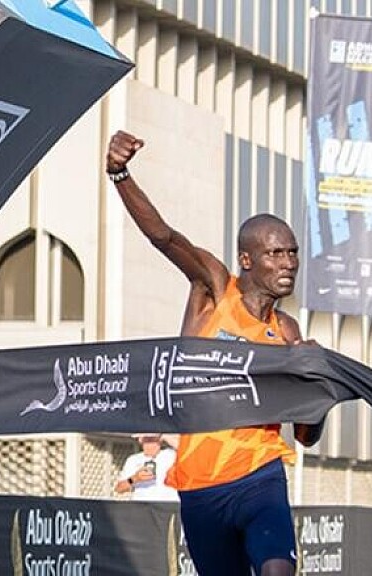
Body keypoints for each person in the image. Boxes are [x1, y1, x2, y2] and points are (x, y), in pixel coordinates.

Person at [106, 130, 322, 576]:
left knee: (277, 571)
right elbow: (164, 237)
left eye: (292, 253)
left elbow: (306, 435)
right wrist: (120, 174)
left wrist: (316, 380)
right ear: (247, 260)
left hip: (260, 475)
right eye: (275, 253)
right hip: (202, 485)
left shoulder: (287, 332)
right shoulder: (214, 290)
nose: (288, 263)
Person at [115, 433, 179, 502]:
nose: (151, 444)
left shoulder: (171, 455)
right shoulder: (133, 460)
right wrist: (135, 478)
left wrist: (164, 435)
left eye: (154, 440)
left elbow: (186, 450)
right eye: (147, 440)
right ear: (140, 440)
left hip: (168, 505)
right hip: (142, 505)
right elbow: (119, 489)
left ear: (160, 441)